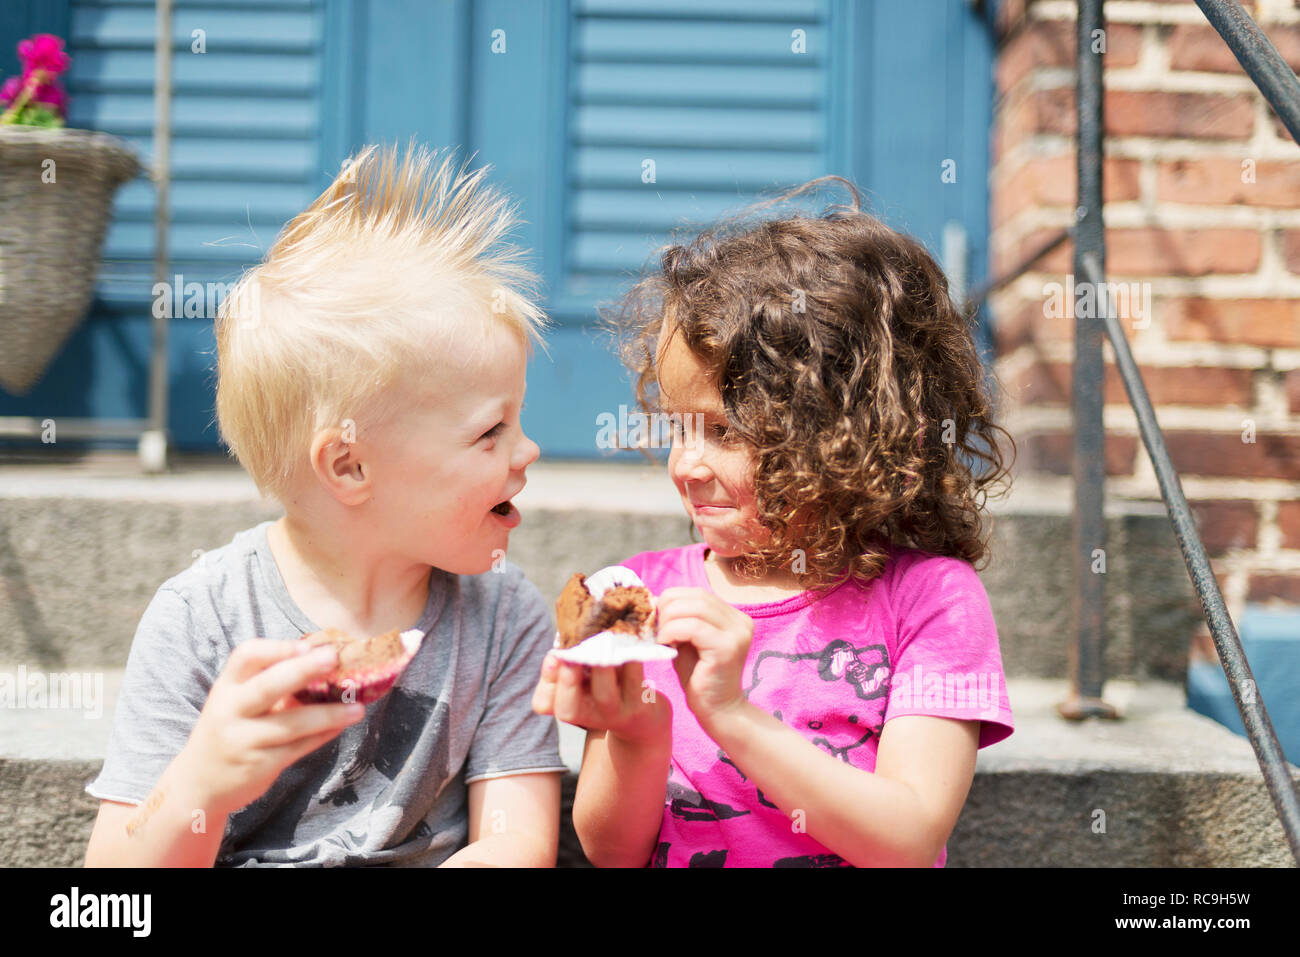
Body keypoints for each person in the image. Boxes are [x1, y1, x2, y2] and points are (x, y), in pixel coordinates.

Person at [84, 143, 567, 867]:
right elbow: (114, 889)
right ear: (348, 464)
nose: (527, 451)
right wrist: (203, 781)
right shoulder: (203, 617)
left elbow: (517, 842)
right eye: (491, 430)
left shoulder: (504, 614)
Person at [533, 177, 1017, 867]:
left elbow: (908, 836)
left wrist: (731, 714)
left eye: (726, 432)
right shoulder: (645, 596)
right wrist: (636, 735)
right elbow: (612, 850)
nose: (686, 465)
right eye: (679, 427)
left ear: (847, 436)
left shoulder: (930, 599)